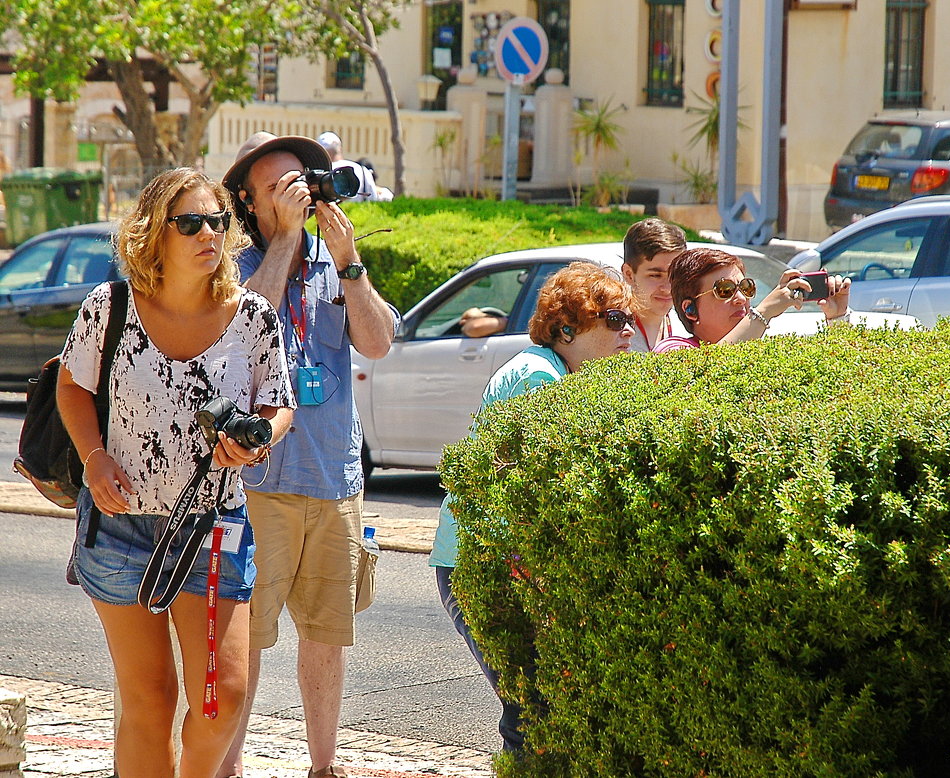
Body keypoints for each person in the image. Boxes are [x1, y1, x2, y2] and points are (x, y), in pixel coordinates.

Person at [57, 167, 295, 778]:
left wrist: (258, 439)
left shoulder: (253, 318)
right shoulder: (109, 308)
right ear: (154, 234)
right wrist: (94, 457)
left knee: (223, 697)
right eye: (189, 222)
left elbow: (279, 403)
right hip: (121, 528)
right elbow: (72, 387)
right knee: (150, 699)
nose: (206, 234)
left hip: (213, 526)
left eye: (216, 221)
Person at [218, 132, 402, 778]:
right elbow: (247, 327)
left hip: (332, 478)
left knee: (325, 638)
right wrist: (288, 243)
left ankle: (324, 767)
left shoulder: (332, 260)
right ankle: (228, 767)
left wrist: (350, 262)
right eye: (278, 187)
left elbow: (377, 343)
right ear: (248, 198)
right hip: (257, 482)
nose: (297, 195)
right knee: (245, 638)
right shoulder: (232, 263)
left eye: (303, 181)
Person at [430, 261, 636, 753]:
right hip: (483, 565)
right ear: (567, 329)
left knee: (542, 702)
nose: (627, 331)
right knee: (532, 705)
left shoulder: (566, 374)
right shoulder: (537, 377)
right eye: (612, 320)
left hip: (509, 562)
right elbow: (538, 493)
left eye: (627, 318)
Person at [653, 247, 852, 352]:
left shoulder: (762, 349)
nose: (741, 299)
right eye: (724, 290)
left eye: (746, 288)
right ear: (690, 310)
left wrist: (837, 318)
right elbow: (707, 371)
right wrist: (763, 312)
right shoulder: (672, 349)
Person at [621, 217, 687, 351]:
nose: (668, 289)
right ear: (629, 274)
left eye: (674, 275)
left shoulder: (687, 328)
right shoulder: (611, 334)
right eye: (656, 276)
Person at [315, 131, 382, 202]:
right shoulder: (362, 170)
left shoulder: (319, 173)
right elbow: (373, 200)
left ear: (320, 151)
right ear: (340, 148)